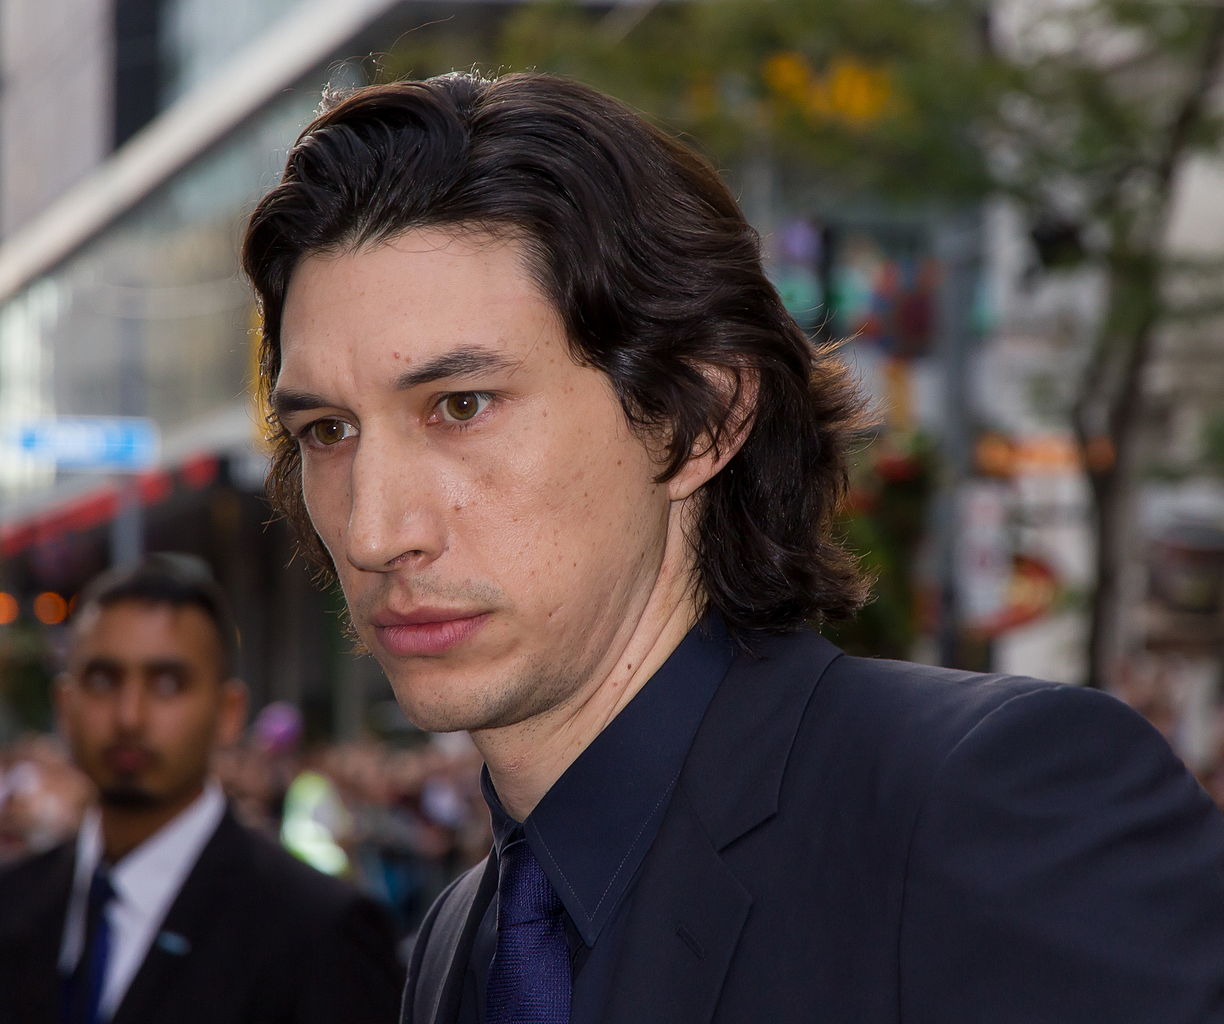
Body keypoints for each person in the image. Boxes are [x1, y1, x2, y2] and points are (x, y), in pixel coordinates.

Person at [241, 71, 1224, 1023]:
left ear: (697, 420)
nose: (374, 530)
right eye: (327, 430)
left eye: (461, 406)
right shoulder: (461, 940)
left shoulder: (985, 809)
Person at [0, 554, 403, 1024]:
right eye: (104, 679)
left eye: (168, 683)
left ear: (229, 712)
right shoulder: (12, 902)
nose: (130, 715)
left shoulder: (319, 929)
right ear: (65, 707)